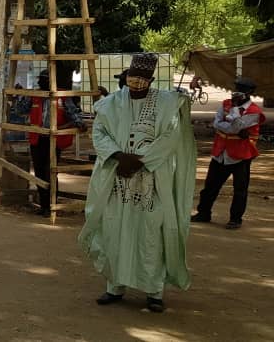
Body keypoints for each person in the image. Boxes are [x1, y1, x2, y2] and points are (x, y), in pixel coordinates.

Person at [78, 53, 196, 313]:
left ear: (150, 80)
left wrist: (141, 161)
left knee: (151, 233)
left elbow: (171, 136)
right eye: (133, 77)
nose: (137, 82)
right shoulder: (109, 104)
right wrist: (120, 157)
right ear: (126, 77)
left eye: (143, 78)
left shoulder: (166, 104)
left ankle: (154, 292)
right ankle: (114, 287)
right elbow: (99, 133)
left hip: (152, 180)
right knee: (114, 230)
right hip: (116, 177)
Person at [192, 77, 266, 229]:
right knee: (210, 186)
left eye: (241, 90)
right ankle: (203, 213)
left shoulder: (254, 112)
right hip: (220, 152)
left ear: (249, 93)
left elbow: (234, 127)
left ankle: (235, 219)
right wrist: (230, 125)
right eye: (236, 89)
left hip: (242, 155)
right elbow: (218, 123)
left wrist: (229, 122)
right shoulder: (225, 104)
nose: (236, 93)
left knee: (240, 190)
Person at [14, 69, 86, 216]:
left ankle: (51, 204)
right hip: (37, 139)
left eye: (45, 79)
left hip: (53, 140)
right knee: (40, 172)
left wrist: (79, 123)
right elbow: (20, 110)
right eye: (41, 79)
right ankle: (44, 205)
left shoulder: (62, 96)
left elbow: (73, 113)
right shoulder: (35, 95)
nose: (42, 82)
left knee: (50, 172)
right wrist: (19, 95)